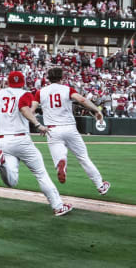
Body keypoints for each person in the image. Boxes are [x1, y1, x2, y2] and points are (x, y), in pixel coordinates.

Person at [0, 71, 72, 217]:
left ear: (8, 81)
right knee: (41, 173)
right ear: (23, 82)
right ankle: (58, 206)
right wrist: (38, 124)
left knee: (12, 182)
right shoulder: (26, 94)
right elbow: (24, 109)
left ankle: (3, 162)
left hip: (3, 141)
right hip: (21, 139)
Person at [32, 67, 110, 195]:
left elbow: (32, 110)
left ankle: (61, 163)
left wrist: (37, 124)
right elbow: (82, 100)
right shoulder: (67, 89)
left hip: (52, 129)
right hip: (69, 128)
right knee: (83, 158)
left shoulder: (40, 92)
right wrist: (97, 110)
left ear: (48, 78)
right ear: (61, 77)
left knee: (59, 156)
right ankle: (100, 185)